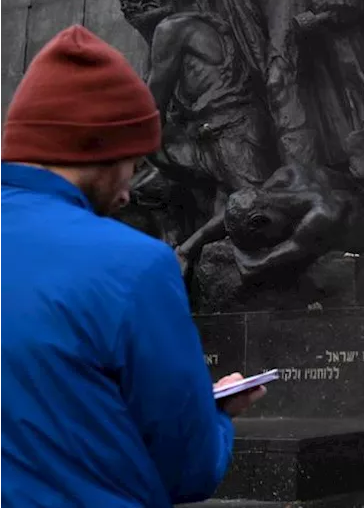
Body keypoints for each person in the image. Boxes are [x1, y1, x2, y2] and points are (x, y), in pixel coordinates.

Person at [0, 26, 265, 506]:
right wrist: (216, 417)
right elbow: (189, 468)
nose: (127, 192)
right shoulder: (136, 266)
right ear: (99, 151)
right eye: (132, 163)